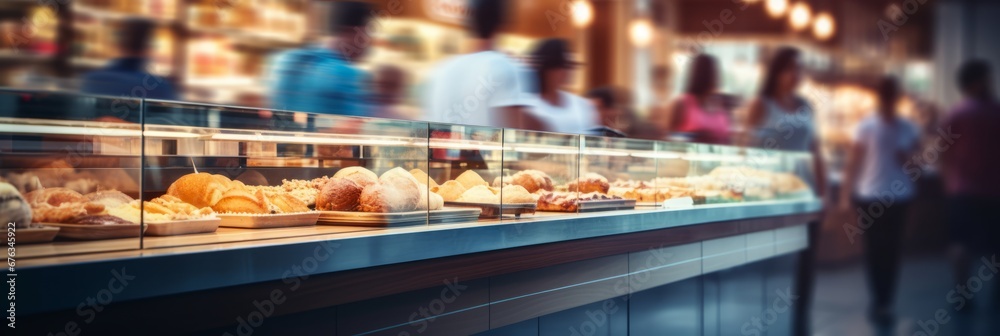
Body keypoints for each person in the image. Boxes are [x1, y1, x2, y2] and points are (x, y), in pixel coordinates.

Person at [743, 47, 826, 336]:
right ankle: (770, 321)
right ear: (777, 72)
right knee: (777, 263)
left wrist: (823, 193)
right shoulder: (761, 104)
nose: (796, 74)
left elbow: (815, 149)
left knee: (806, 261)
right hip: (773, 196)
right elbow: (745, 149)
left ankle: (800, 320)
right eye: (790, 68)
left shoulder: (804, 106)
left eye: (799, 69)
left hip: (804, 193)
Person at [839, 76, 921, 325]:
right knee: (877, 250)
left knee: (891, 250)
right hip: (870, 195)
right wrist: (845, 195)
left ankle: (884, 300)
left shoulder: (908, 128)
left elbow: (919, 163)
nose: (889, 101)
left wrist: (907, 159)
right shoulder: (866, 126)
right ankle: (880, 299)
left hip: (899, 196)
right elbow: (853, 163)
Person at [423, 0, 539, 129]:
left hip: (440, 148)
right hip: (484, 149)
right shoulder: (504, 67)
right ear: (503, 22)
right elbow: (514, 135)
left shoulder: (440, 69)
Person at [940, 59, 1000, 308]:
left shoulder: (955, 113)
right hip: (994, 191)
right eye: (987, 77)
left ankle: (963, 294)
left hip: (962, 190)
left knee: (960, 244)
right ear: (977, 82)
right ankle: (996, 298)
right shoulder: (996, 111)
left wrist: (949, 183)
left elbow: (943, 154)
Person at [266, 1, 373, 117]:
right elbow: (356, 129)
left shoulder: (284, 60)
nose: (369, 41)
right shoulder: (347, 76)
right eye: (368, 33)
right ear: (357, 32)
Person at [82, 19, 178, 102]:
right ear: (148, 47)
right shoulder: (159, 86)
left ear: (119, 45)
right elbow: (174, 119)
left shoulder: (92, 79)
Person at [525, 39, 598, 134]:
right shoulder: (528, 105)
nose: (566, 71)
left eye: (570, 66)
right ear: (546, 68)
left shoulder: (581, 104)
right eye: (561, 66)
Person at [666, 54, 731, 144]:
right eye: (712, 73)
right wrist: (696, 136)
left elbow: (726, 138)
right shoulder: (682, 103)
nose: (716, 78)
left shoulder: (720, 105)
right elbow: (667, 138)